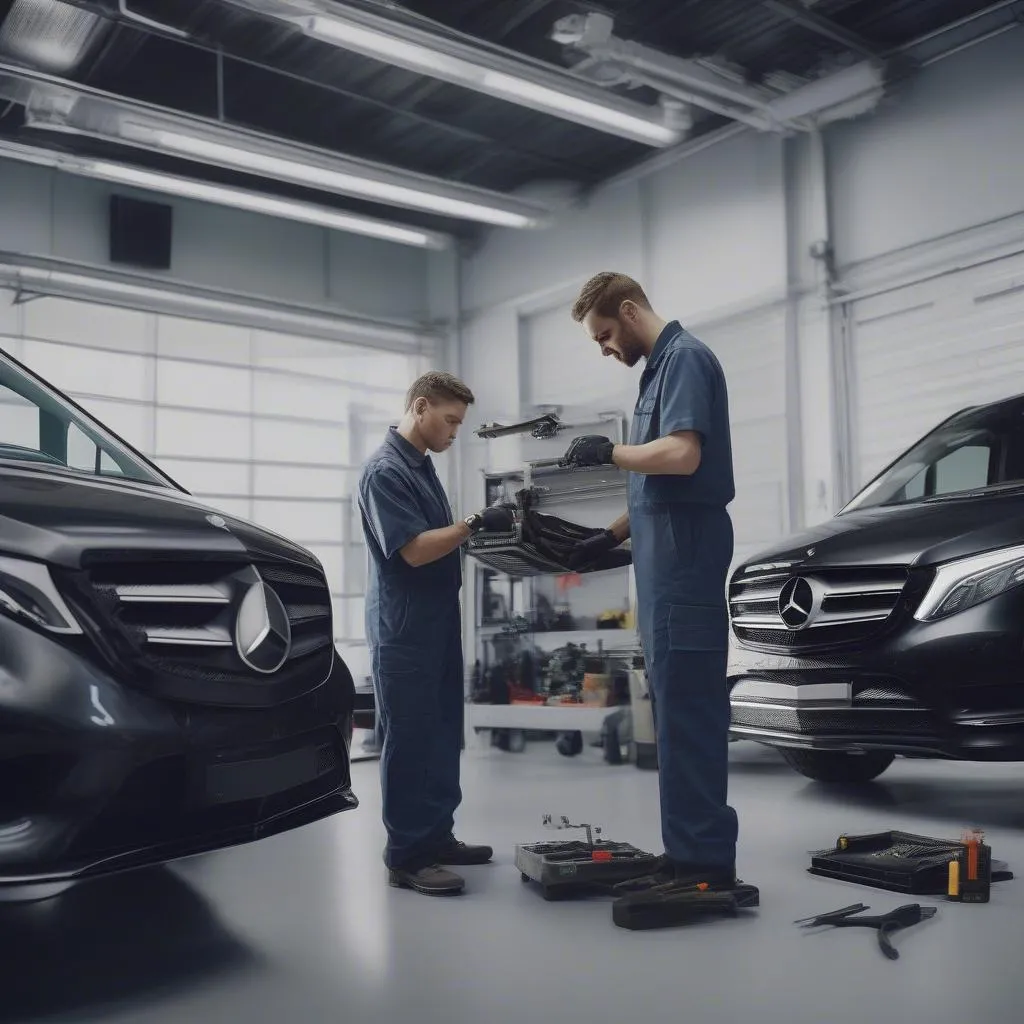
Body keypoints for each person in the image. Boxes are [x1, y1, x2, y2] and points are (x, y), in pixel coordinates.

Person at [559, 272, 740, 891]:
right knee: (673, 709)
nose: (604, 348)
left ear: (630, 311)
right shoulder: (655, 372)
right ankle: (686, 849)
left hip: (685, 562)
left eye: (604, 335)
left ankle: (707, 863)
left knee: (689, 709)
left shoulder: (685, 359)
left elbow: (683, 455)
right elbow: (656, 484)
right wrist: (609, 535)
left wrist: (609, 452)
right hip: (663, 563)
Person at [357, 371, 514, 896]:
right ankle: (407, 855)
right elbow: (415, 549)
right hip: (404, 630)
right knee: (409, 738)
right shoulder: (384, 471)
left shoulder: (421, 466)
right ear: (420, 408)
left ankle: (437, 837)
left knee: (443, 731)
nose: (454, 433)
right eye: (450, 421)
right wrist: (474, 522)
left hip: (437, 624)